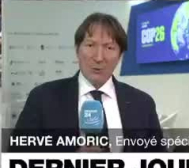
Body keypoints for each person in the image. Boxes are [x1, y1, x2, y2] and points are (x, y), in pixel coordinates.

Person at [10, 13, 165, 152]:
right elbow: (17, 158)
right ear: (77, 50)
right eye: (90, 45)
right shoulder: (43, 98)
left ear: (120, 56)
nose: (99, 57)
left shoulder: (143, 104)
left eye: (109, 47)